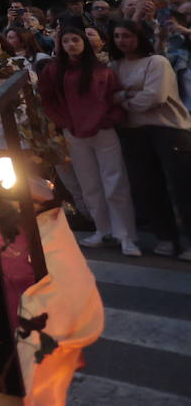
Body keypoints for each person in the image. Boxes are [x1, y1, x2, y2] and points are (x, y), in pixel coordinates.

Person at [37, 28, 139, 257]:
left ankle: (125, 235)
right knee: (89, 184)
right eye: (66, 40)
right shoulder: (54, 71)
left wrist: (108, 120)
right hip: (74, 132)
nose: (71, 44)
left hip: (103, 131)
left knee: (115, 183)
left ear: (84, 42)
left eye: (75, 39)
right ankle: (102, 230)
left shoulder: (103, 70)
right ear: (60, 44)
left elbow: (115, 98)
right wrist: (65, 123)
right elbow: (48, 101)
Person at [109, 20, 191, 260]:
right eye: (117, 36)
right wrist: (133, 96)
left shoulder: (157, 62)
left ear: (139, 37)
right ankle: (166, 237)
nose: (121, 40)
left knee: (182, 187)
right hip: (134, 131)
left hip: (169, 129)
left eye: (127, 35)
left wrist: (124, 100)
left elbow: (154, 97)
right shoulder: (114, 66)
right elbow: (108, 96)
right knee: (148, 187)